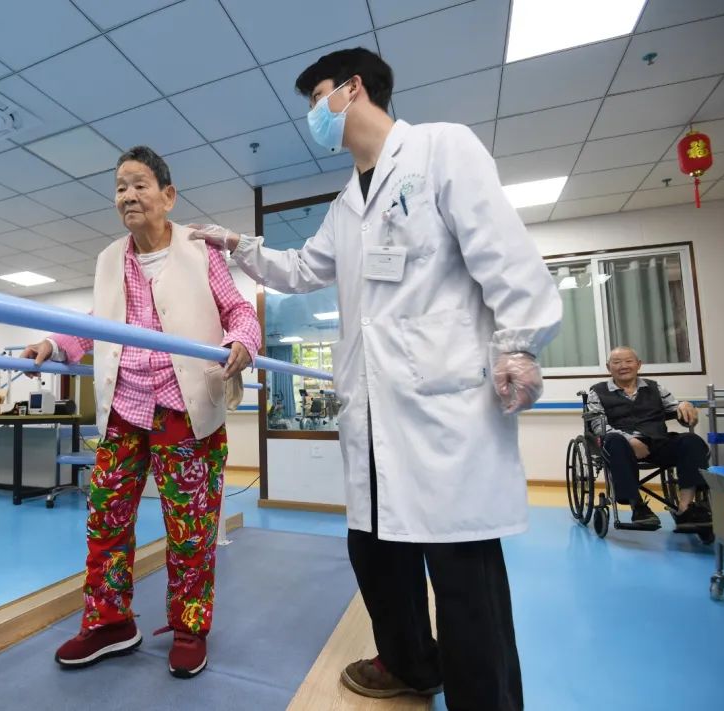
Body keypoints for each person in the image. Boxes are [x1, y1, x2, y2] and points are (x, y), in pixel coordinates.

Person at [190, 48, 561, 710]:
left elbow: (503, 252)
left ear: (353, 89)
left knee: (463, 579)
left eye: (316, 98)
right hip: (372, 412)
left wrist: (519, 343)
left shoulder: (441, 150)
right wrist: (237, 246)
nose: (312, 115)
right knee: (375, 553)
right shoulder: (345, 203)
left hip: (445, 411)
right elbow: (301, 269)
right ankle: (412, 663)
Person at [21, 146, 261, 679]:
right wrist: (54, 346)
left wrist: (243, 339)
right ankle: (110, 623)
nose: (127, 196)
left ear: (168, 196)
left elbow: (238, 309)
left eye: (139, 185)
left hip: (185, 410)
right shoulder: (109, 258)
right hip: (124, 411)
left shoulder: (200, 250)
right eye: (120, 187)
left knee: (191, 529)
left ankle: (189, 628)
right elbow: (96, 321)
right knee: (105, 521)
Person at [587, 346, 711, 530]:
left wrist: (685, 406)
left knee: (692, 441)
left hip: (657, 442)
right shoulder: (597, 391)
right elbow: (598, 425)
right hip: (620, 446)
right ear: (608, 367)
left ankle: (686, 509)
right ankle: (637, 506)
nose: (623, 366)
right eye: (617, 362)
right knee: (614, 440)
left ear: (638, 365)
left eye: (628, 361)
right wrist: (630, 440)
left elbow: (677, 410)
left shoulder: (655, 387)